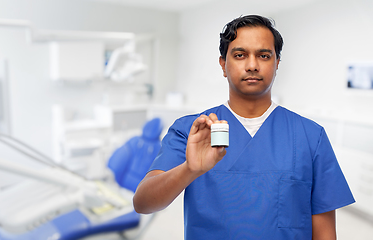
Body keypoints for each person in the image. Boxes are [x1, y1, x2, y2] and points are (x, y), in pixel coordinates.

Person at [133, 15, 355, 239]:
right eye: (240, 55)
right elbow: (143, 203)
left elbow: (325, 233)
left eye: (264, 55)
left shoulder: (310, 136)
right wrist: (190, 169)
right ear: (223, 64)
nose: (252, 65)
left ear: (277, 64)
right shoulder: (192, 130)